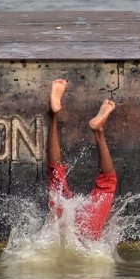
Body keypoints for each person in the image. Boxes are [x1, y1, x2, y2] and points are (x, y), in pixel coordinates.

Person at [46, 78, 117, 241]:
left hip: (62, 228)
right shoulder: (93, 239)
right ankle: (97, 130)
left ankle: (53, 115)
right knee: (56, 176)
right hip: (88, 234)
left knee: (58, 177)